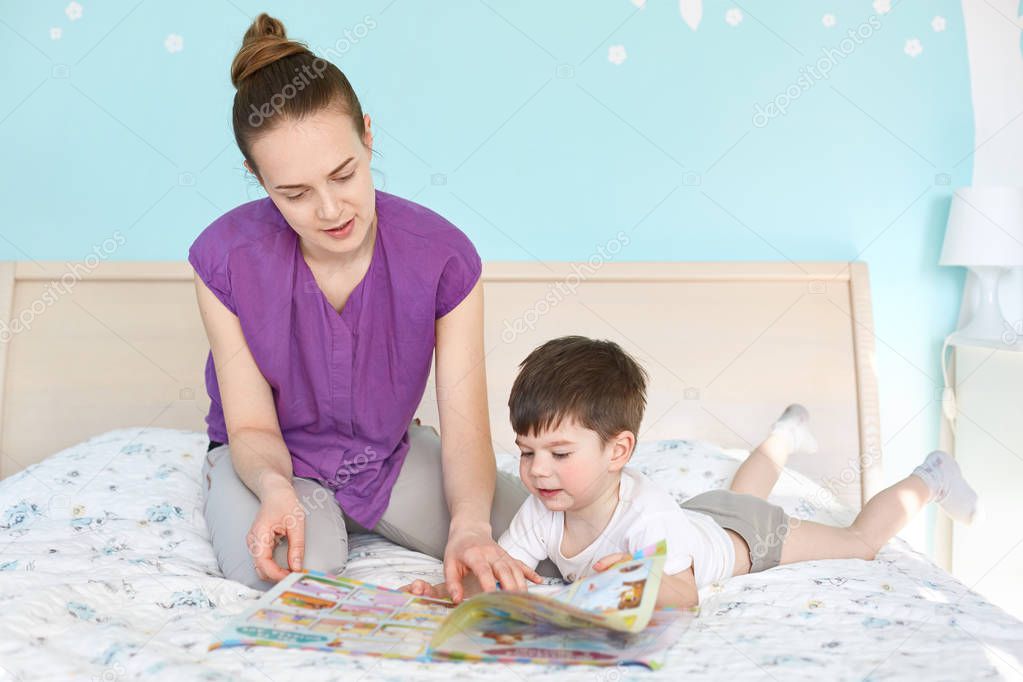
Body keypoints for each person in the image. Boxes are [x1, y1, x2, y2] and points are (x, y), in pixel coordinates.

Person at [191, 13, 550, 600]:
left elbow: (464, 430)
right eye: (296, 193)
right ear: (258, 180)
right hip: (270, 463)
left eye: (345, 173)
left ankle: (738, 529)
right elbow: (252, 425)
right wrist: (276, 490)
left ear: (368, 136)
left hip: (388, 457)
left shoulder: (444, 257)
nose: (331, 210)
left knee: (546, 546)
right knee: (283, 572)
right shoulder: (223, 260)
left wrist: (469, 526)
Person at [402, 336, 980, 606]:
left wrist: (636, 579)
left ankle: (930, 477)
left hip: (749, 538)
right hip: (701, 518)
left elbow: (684, 597)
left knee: (856, 542)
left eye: (558, 453)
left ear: (617, 450)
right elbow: (503, 574)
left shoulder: (646, 513)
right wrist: (448, 592)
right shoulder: (540, 511)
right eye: (526, 453)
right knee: (738, 491)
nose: (537, 471)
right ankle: (785, 434)